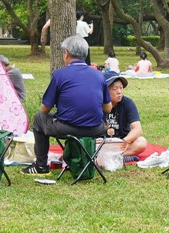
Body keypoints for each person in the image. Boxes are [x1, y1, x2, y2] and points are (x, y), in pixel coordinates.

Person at [22, 36, 110, 175]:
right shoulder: (99, 75)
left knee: (39, 119)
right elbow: (108, 108)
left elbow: (44, 108)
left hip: (68, 128)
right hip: (95, 129)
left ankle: (41, 166)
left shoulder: (60, 74)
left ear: (67, 53)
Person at [103, 73, 148, 159]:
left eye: (121, 88)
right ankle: (115, 157)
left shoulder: (128, 103)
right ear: (105, 91)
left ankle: (114, 157)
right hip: (103, 143)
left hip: (123, 144)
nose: (119, 92)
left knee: (141, 142)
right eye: (114, 89)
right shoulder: (98, 104)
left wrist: (125, 141)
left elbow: (138, 129)